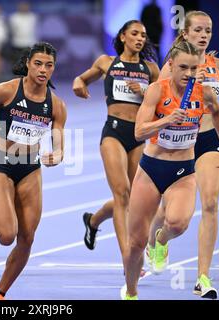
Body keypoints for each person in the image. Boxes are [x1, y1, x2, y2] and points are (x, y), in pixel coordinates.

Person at [146, 11, 219, 299]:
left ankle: (202, 278)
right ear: (185, 34)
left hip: (208, 140)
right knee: (171, 216)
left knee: (210, 203)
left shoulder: (216, 64)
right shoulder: (172, 67)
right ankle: (159, 239)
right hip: (179, 144)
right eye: (198, 30)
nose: (204, 35)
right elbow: (159, 101)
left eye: (208, 30)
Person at [122, 40, 219, 300]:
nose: (189, 74)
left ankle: (161, 240)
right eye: (183, 67)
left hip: (183, 170)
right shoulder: (155, 91)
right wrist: (166, 120)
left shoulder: (203, 93)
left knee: (179, 223)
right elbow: (139, 131)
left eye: (194, 69)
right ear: (170, 65)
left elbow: (218, 113)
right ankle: (131, 292)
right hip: (150, 169)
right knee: (135, 244)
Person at [0, 42, 67, 300]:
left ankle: (0, 293)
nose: (43, 69)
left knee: (27, 238)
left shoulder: (56, 105)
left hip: (30, 169)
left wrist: (59, 154)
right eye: (38, 63)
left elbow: (59, 139)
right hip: (2, 164)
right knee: (7, 236)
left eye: (49, 65)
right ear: (28, 63)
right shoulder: (6, 91)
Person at [72, 20, 159, 269]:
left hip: (139, 136)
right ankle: (128, 260)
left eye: (143, 35)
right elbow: (81, 79)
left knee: (133, 200)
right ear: (123, 37)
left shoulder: (151, 69)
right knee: (121, 194)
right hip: (114, 132)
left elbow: (165, 99)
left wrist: (144, 93)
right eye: (134, 34)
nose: (140, 38)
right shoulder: (106, 62)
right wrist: (79, 83)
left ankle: (93, 221)